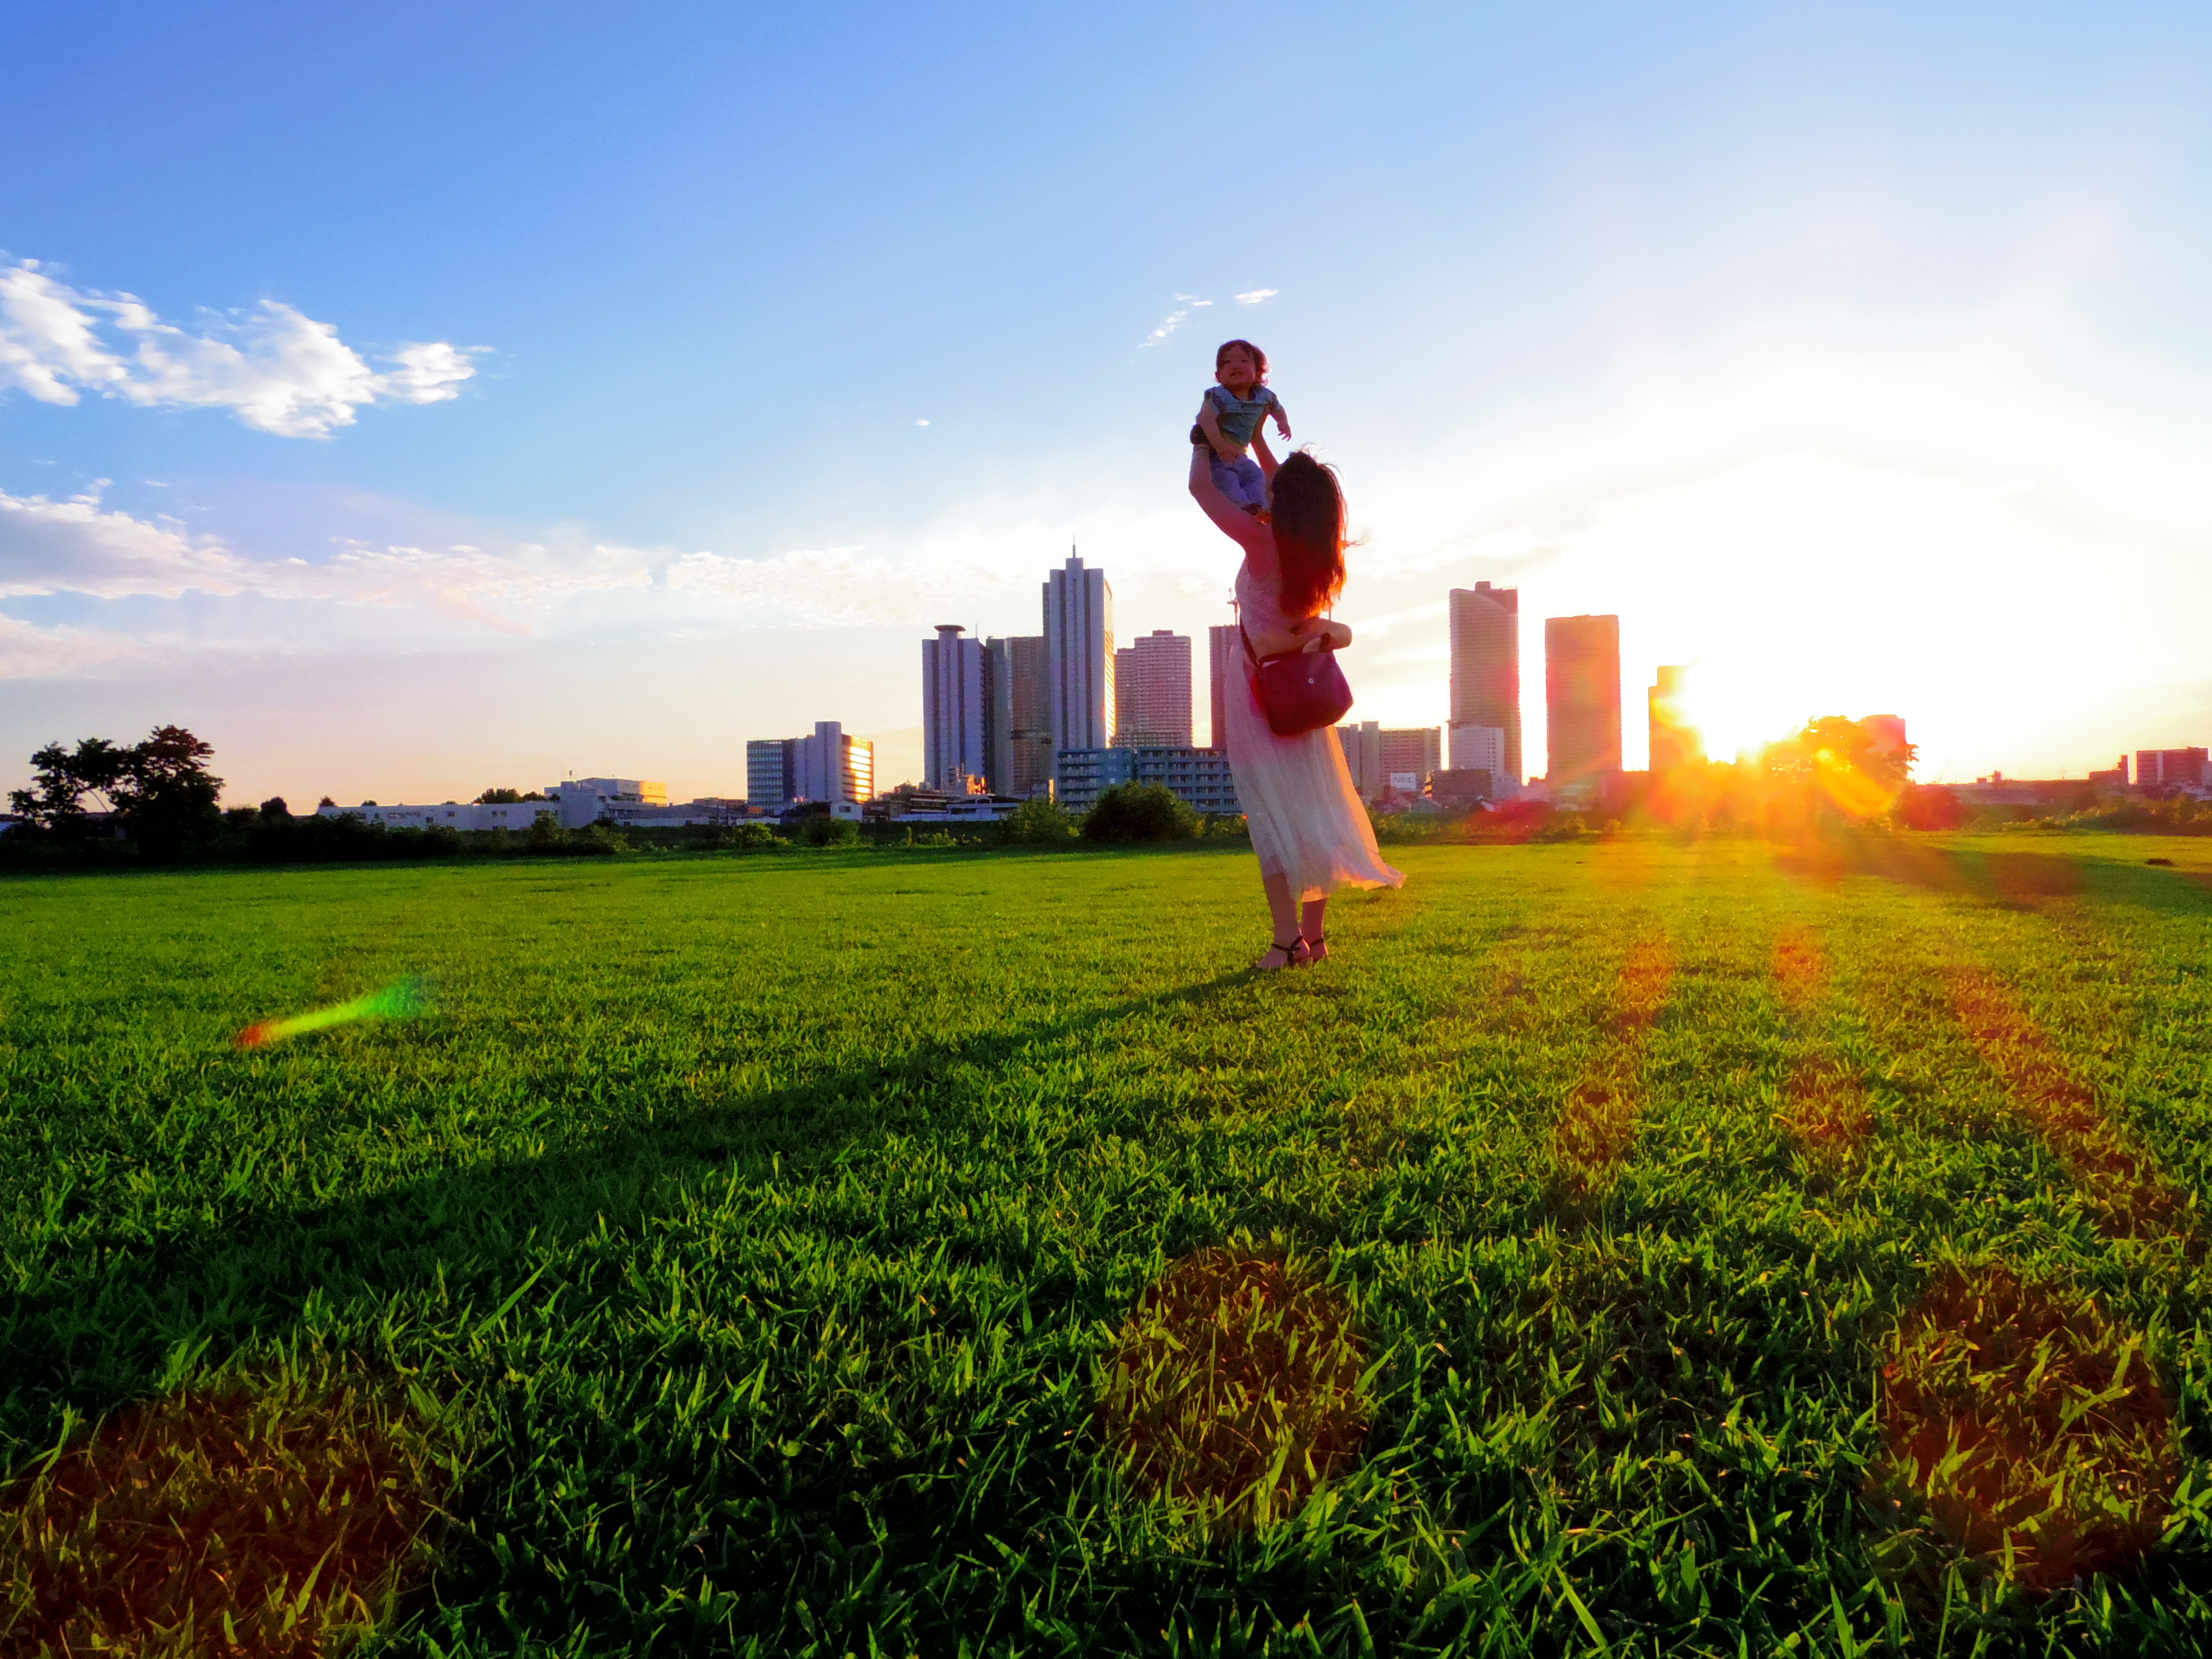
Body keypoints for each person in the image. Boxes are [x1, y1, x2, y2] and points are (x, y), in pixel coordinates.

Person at [1188, 437, 1404, 971]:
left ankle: (1286, 944)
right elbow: (1288, 484)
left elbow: (1199, 488)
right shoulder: (1315, 561)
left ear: (1282, 500)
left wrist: (1202, 437)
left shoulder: (1262, 545)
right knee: (1311, 811)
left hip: (1257, 692)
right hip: (1303, 695)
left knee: (1270, 815)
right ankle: (1315, 938)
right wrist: (1258, 438)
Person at [1190, 340, 1292, 515]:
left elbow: (1278, 408)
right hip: (1218, 457)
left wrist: (1283, 423)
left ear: (1258, 372)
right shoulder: (1219, 396)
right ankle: (1244, 506)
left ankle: (1263, 509)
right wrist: (1221, 448)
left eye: (1244, 361)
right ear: (1218, 375)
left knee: (1257, 477)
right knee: (1226, 480)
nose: (1235, 366)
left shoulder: (1264, 396)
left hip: (1241, 457)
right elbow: (1206, 421)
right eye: (1227, 362)